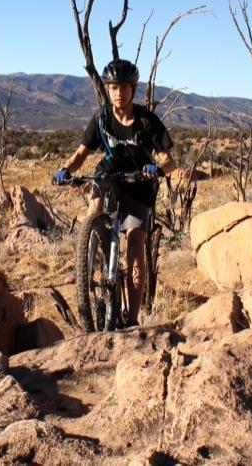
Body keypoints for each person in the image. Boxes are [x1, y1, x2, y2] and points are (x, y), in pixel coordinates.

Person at [52, 58, 177, 326]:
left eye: (124, 87)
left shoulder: (147, 120)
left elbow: (170, 161)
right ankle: (85, 263)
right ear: (107, 90)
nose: (118, 93)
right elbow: (80, 154)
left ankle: (132, 319)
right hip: (110, 174)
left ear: (133, 89)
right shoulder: (102, 117)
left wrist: (156, 169)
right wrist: (65, 169)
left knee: (134, 246)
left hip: (139, 183)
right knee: (94, 209)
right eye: (113, 88)